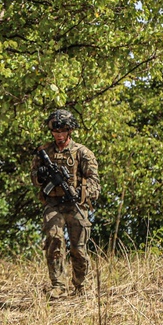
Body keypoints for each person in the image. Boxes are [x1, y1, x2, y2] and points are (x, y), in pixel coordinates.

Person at [30, 109, 100, 299]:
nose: (59, 136)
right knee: (55, 239)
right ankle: (58, 284)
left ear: (69, 131)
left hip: (75, 204)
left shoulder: (82, 153)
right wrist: (42, 175)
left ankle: (81, 285)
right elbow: (34, 180)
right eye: (55, 132)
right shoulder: (44, 152)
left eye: (62, 132)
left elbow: (95, 182)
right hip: (53, 204)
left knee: (78, 247)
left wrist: (81, 193)